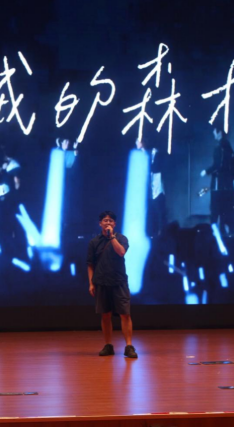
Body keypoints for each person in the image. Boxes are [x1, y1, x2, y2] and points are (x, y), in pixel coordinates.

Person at [87, 211, 137, 358]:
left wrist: (112, 237)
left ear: (114, 224)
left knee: (125, 314)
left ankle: (129, 346)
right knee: (105, 315)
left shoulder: (121, 238)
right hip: (101, 282)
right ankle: (108, 345)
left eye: (110, 221)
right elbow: (90, 264)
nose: (107, 222)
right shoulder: (94, 242)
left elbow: (121, 252)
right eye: (105, 220)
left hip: (119, 281)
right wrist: (91, 283)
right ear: (100, 224)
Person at [200, 124, 234, 235]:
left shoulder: (220, 147)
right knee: (224, 211)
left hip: (219, 185)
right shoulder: (228, 146)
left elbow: (218, 165)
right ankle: (226, 233)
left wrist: (206, 171)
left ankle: (214, 234)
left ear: (219, 132)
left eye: (215, 132)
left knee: (215, 210)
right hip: (227, 185)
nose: (213, 134)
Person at [136, 137, 166, 237]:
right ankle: (149, 232)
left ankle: (159, 232)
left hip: (155, 186)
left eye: (138, 141)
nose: (136, 143)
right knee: (149, 210)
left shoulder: (153, 153)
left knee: (157, 209)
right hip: (148, 186)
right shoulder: (141, 154)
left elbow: (155, 168)